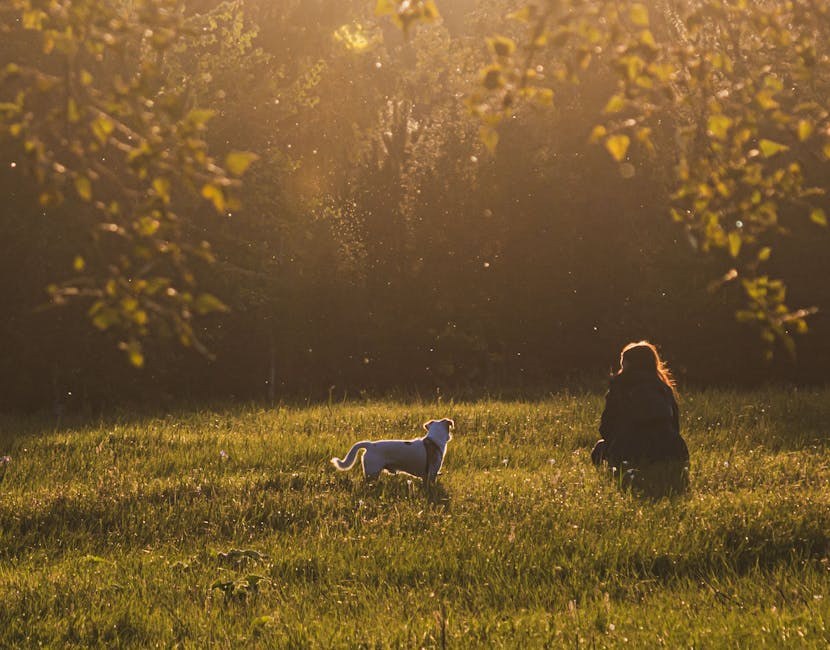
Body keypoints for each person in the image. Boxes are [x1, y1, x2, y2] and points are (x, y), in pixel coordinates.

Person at [591, 341, 689, 495]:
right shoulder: (664, 388)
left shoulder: (620, 386)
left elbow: (606, 428)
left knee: (598, 449)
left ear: (627, 365)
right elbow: (675, 426)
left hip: (631, 450)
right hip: (672, 450)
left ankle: (610, 479)